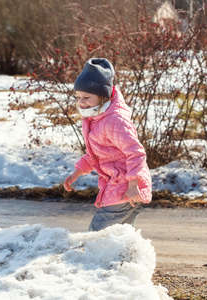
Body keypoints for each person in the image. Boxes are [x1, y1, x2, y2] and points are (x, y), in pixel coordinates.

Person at [63, 58, 152, 231]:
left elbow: (136, 153)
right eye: (78, 97)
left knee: (97, 235)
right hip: (118, 185)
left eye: (87, 97)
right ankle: (127, 257)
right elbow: (96, 154)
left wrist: (133, 184)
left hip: (125, 187)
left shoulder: (114, 120)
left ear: (103, 96)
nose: (81, 102)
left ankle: (93, 256)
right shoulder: (94, 118)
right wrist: (77, 173)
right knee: (119, 237)